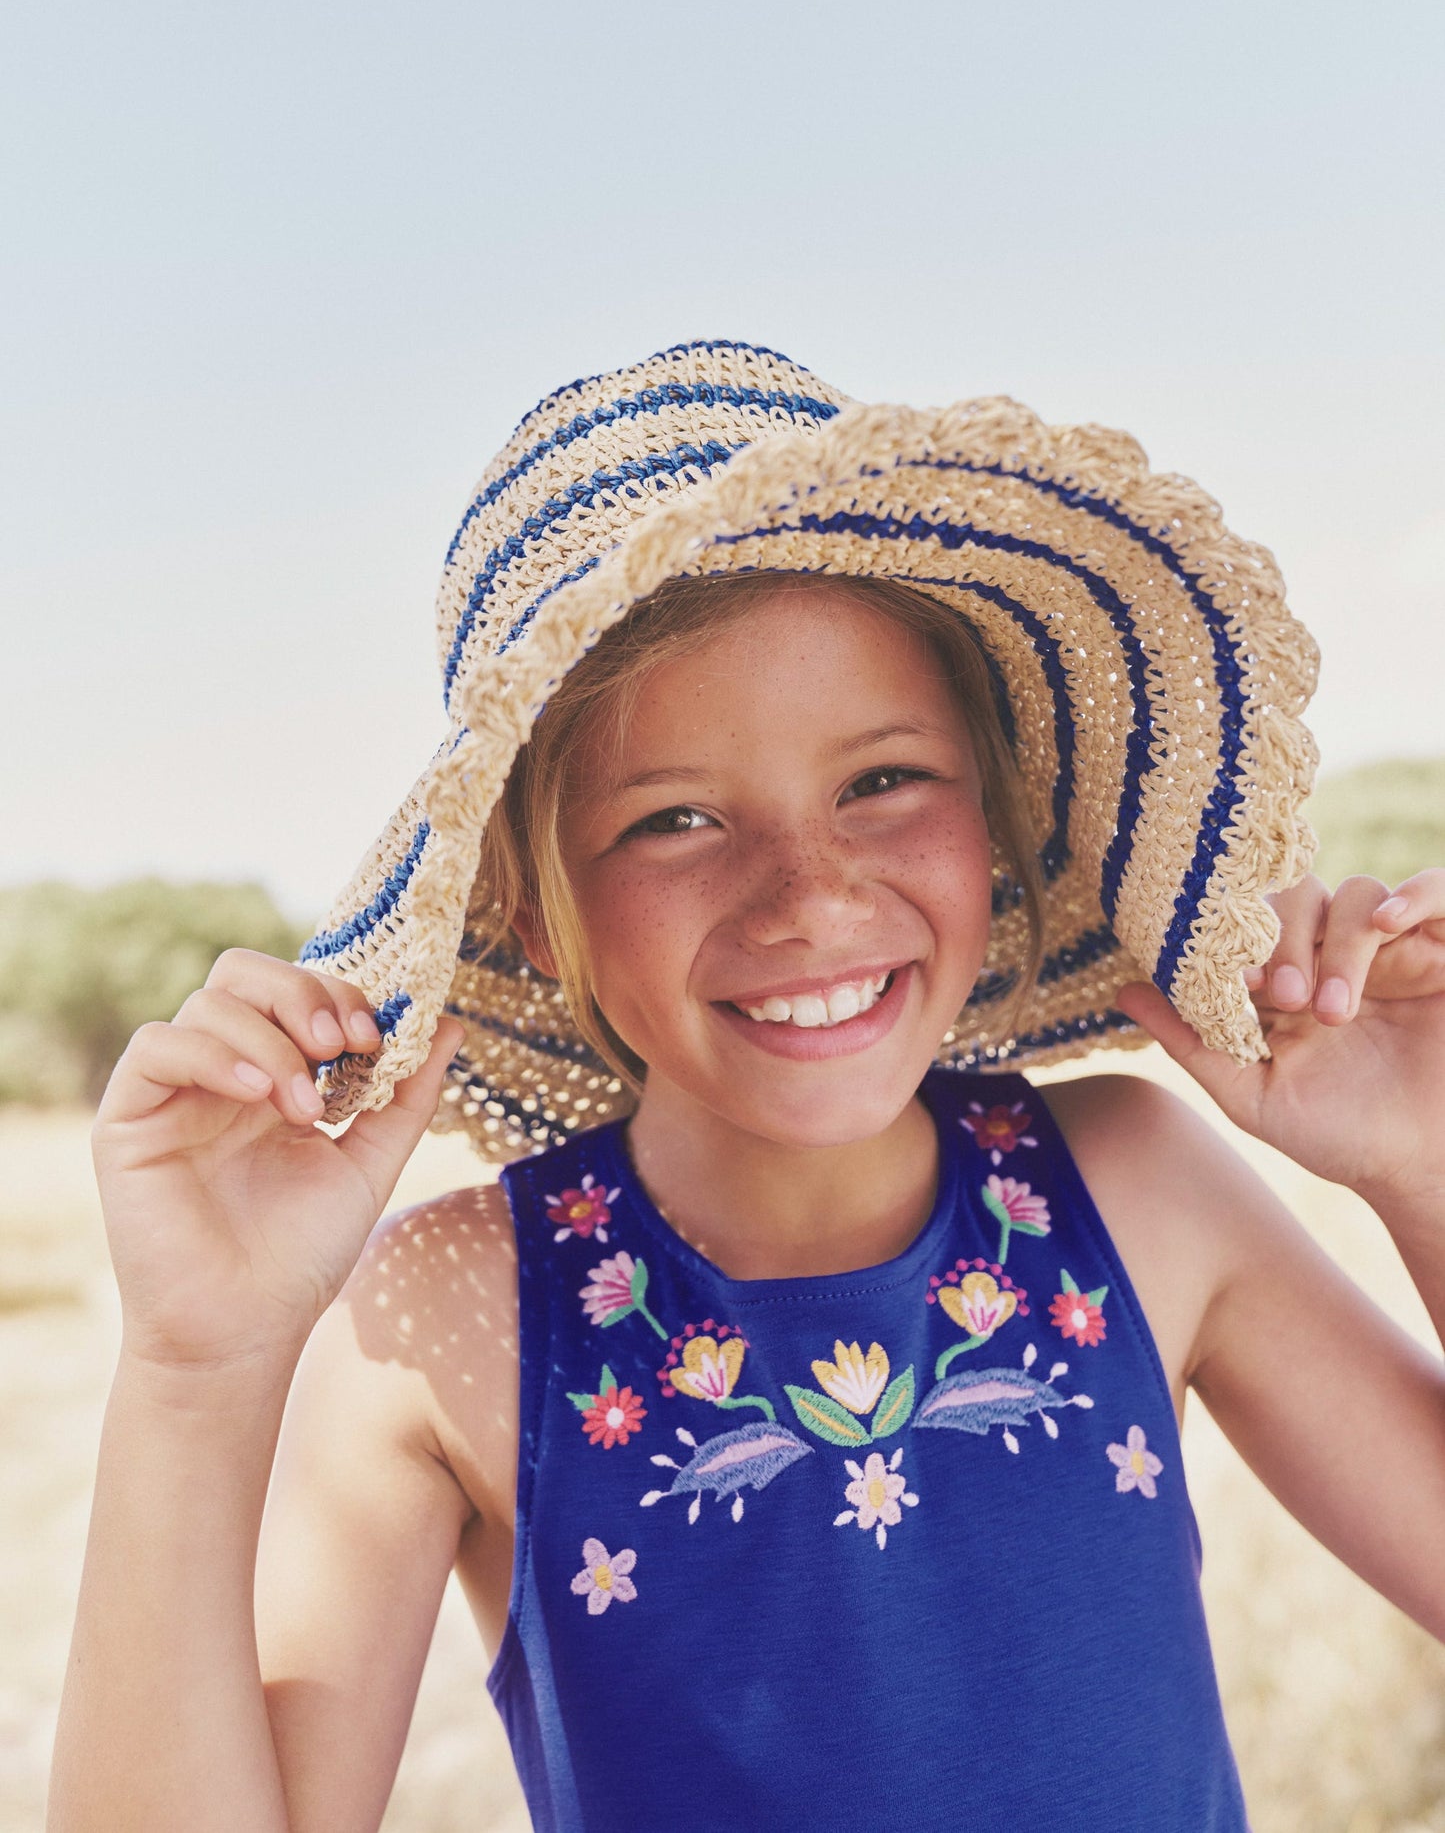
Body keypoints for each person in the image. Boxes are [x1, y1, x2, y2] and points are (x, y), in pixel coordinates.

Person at [51, 341, 1445, 1833]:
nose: (809, 896)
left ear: (991, 811)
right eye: (674, 818)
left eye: (880, 781)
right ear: (531, 903)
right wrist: (195, 1374)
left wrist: (1422, 1162)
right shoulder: (447, 1318)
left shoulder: (1132, 1183)